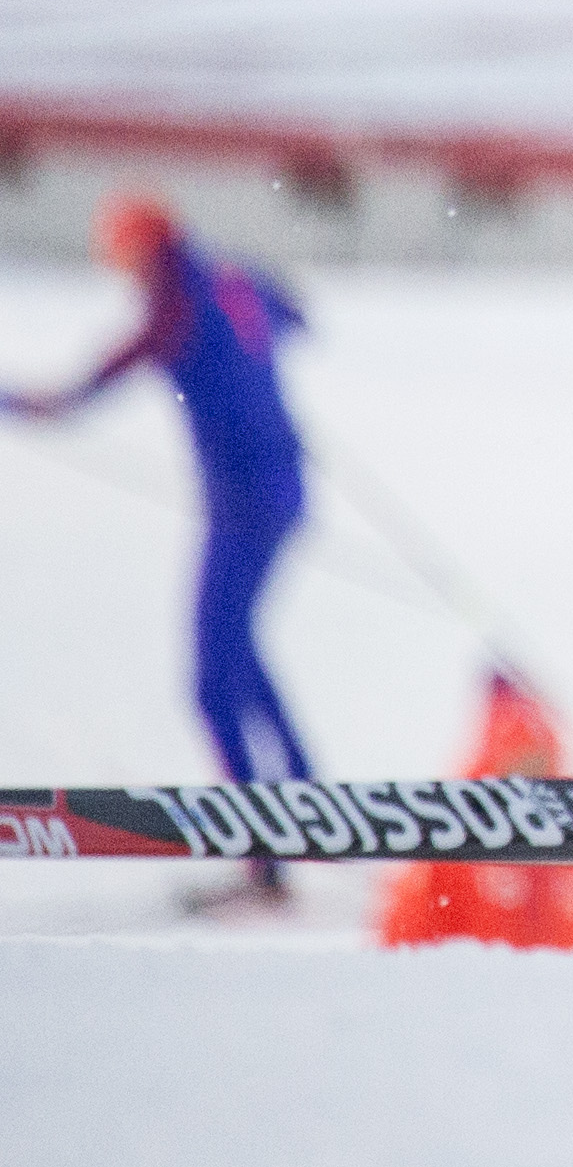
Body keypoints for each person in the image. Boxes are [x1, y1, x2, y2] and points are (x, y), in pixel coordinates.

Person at [9, 196, 318, 891]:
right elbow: (296, 315)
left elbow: (92, 384)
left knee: (213, 682)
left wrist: (19, 401)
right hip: (284, 489)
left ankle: (267, 852)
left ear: (144, 252)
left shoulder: (174, 305)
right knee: (240, 650)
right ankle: (309, 799)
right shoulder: (231, 279)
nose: (124, 276)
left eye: (123, 260)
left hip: (245, 505)